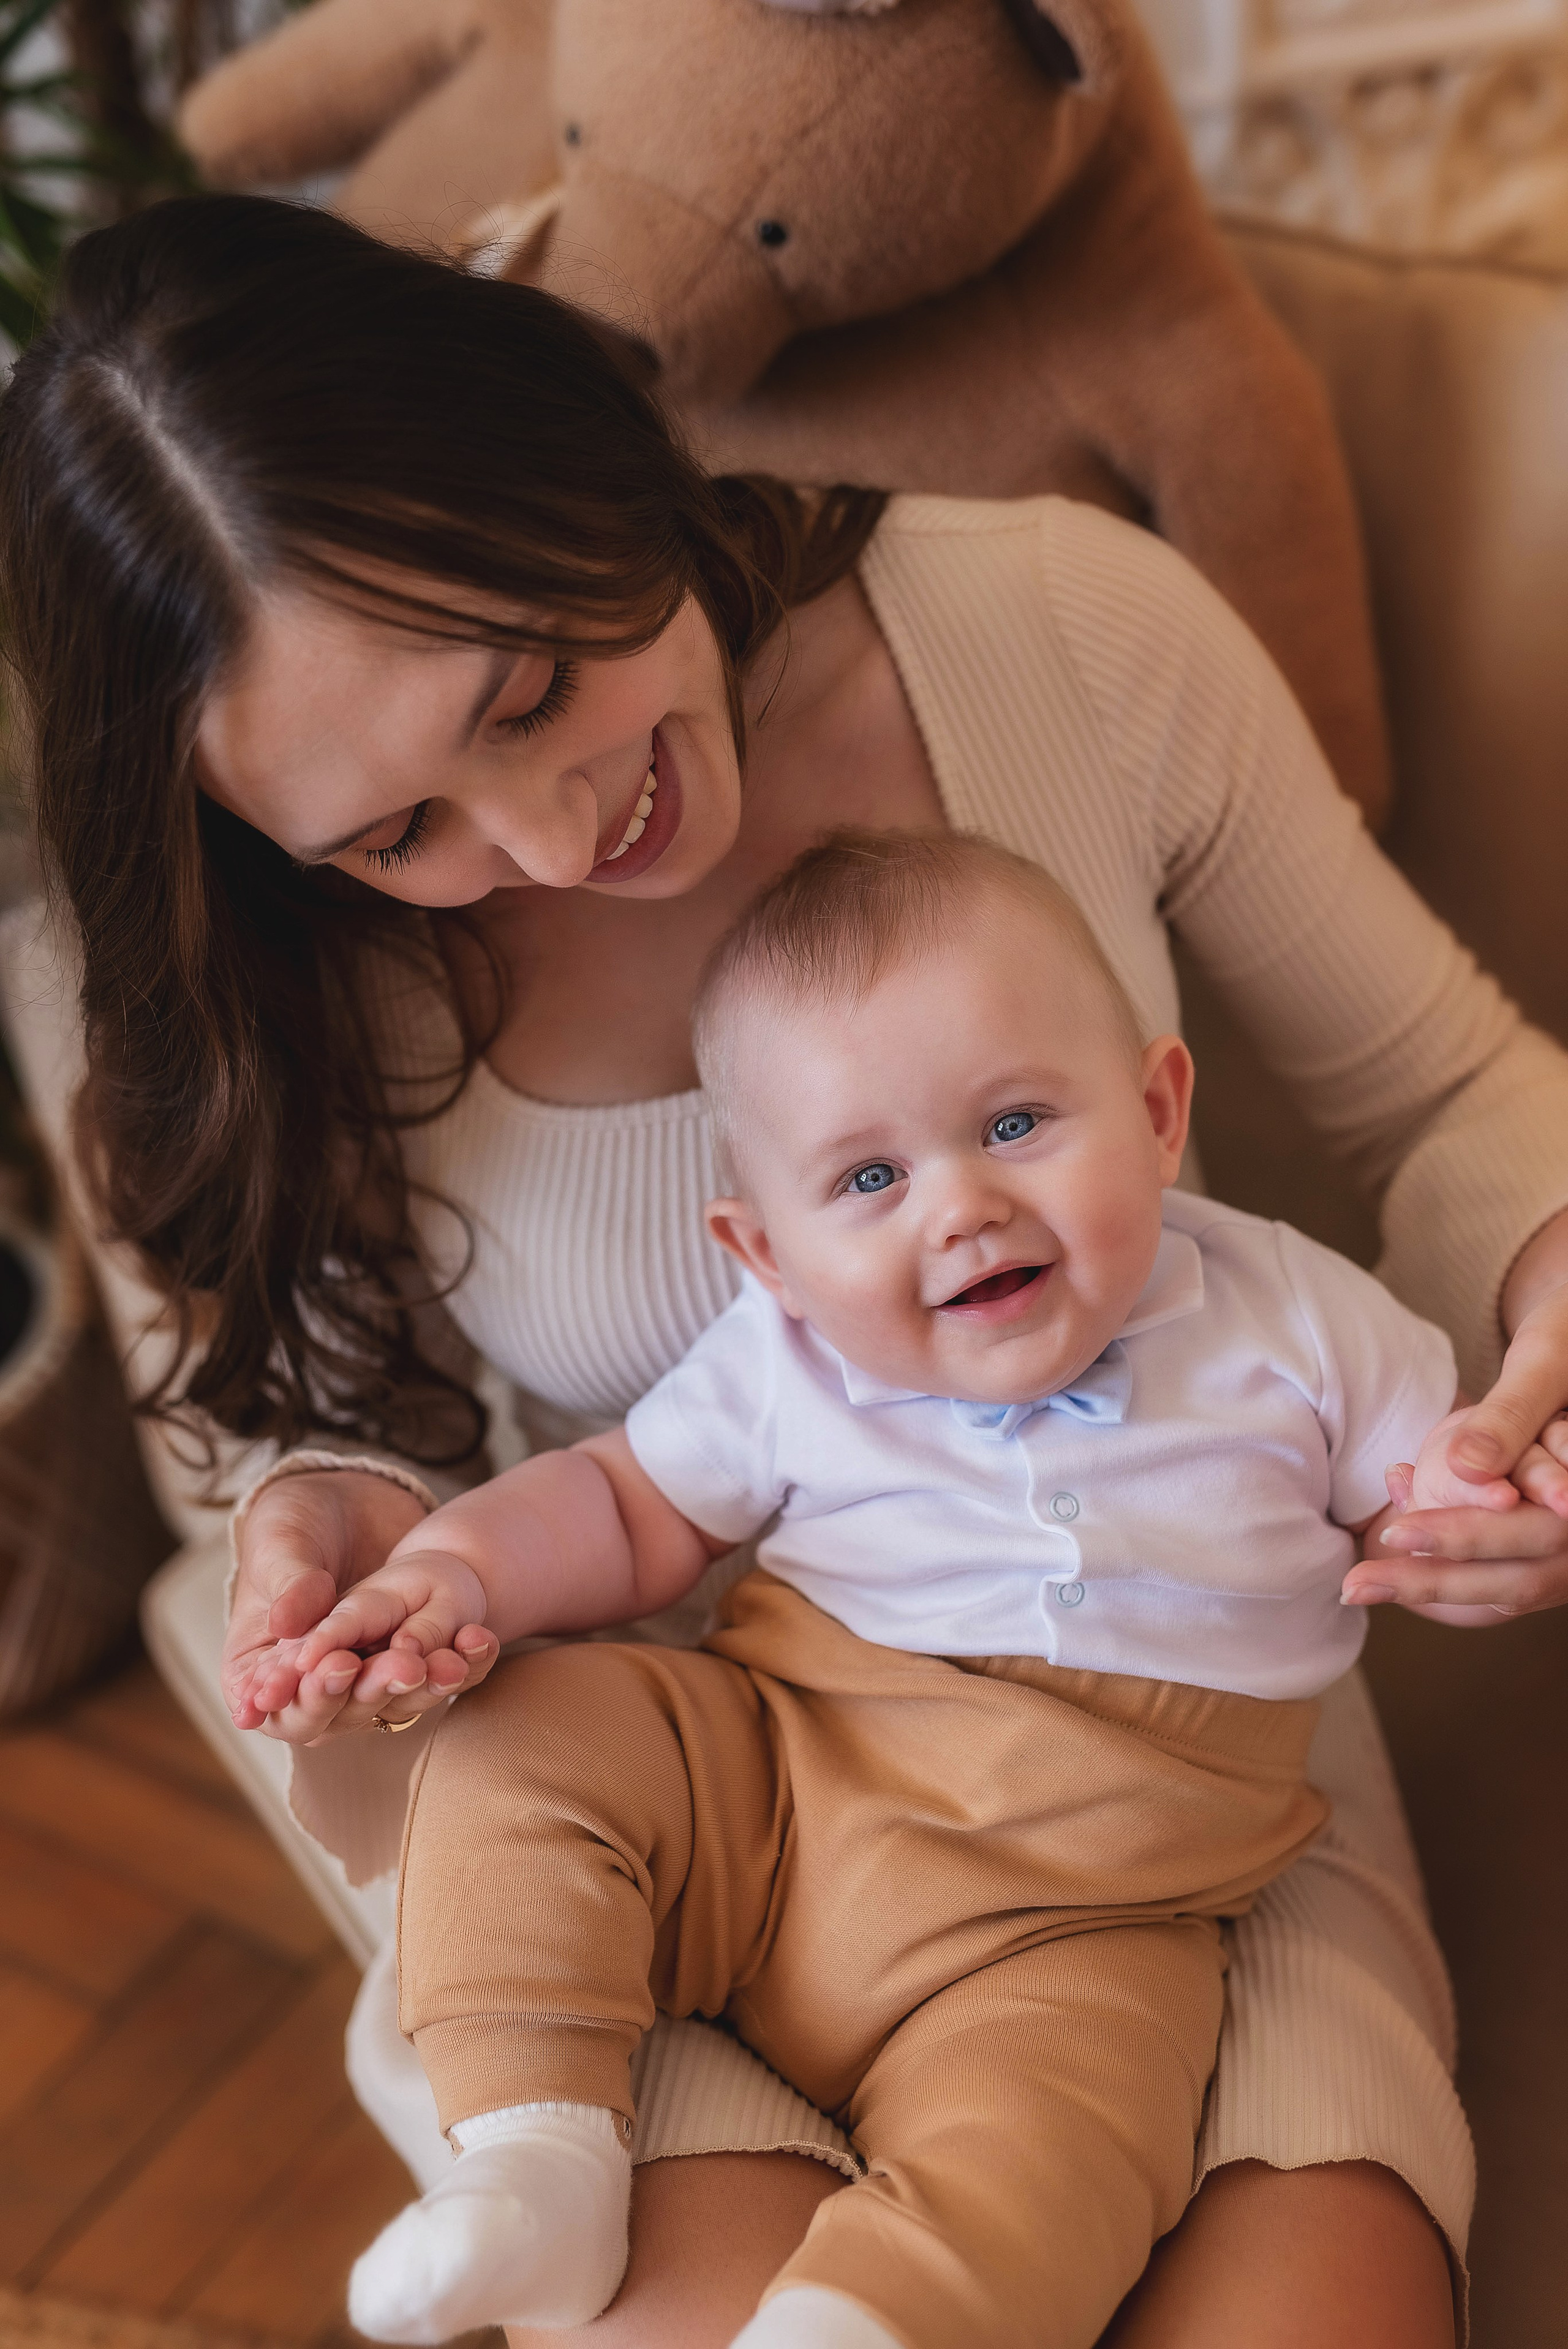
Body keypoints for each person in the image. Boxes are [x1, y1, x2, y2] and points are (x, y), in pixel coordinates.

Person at [4, 192, 1568, 2347]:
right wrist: (331, 1518)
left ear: (574, 446)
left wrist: (1528, 1359)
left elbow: (1451, 1091)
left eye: (536, 683)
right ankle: (543, 2160)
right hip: (681, 1784)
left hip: (1174, 1800)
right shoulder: (283, 973)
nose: (550, 843)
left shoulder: (1059, 627)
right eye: (398, 835)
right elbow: (313, 1410)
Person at [251, 831, 1496, 2349]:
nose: (956, 1206)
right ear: (764, 1255)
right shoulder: (783, 1365)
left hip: (1080, 1912)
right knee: (522, 1730)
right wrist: (452, 1572)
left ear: (1159, 1111)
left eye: (1019, 1121)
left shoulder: (1290, 1315)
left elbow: (1434, 1482)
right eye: (867, 1176)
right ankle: (535, 2153)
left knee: (1058, 2146)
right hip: (773, 1787)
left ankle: (867, 2318)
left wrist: (1483, 1514)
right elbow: (623, 1505)